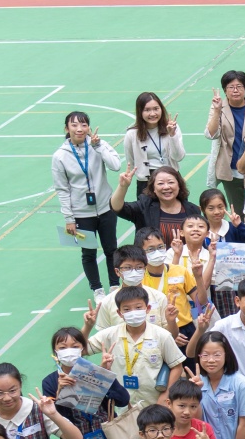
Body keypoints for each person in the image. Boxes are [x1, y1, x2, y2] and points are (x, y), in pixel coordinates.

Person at [55, 110, 124, 293]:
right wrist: (69, 218)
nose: (79, 129)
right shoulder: (60, 156)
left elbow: (116, 165)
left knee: (111, 249)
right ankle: (97, 290)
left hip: (106, 208)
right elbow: (62, 189)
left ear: (89, 127)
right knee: (88, 253)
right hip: (81, 213)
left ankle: (115, 286)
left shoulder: (99, 145)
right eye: (74, 125)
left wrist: (98, 146)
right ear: (67, 129)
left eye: (84, 125)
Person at [121, 92, 184, 199]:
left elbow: (179, 157)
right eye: (147, 110)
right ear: (140, 112)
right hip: (146, 182)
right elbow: (131, 162)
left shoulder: (172, 127)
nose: (152, 113)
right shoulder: (132, 134)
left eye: (156, 109)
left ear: (161, 109)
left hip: (171, 178)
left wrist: (172, 135)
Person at [206, 70, 245, 212]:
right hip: (230, 169)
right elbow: (210, 134)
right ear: (225, 90)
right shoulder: (218, 109)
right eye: (231, 87)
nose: (235, 90)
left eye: (239, 86)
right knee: (237, 210)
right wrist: (217, 111)